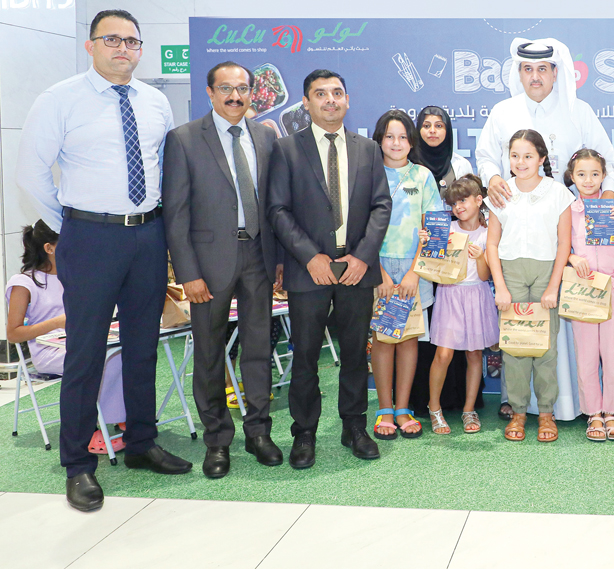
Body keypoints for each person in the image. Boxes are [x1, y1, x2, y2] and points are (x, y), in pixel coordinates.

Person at [16, 9, 192, 513]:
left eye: (133, 41)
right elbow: (31, 173)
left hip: (148, 235)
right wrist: (74, 224)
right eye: (112, 39)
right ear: (91, 46)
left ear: (141, 49)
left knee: (142, 345)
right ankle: (78, 464)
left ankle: (140, 443)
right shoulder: (61, 99)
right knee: (86, 352)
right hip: (89, 236)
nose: (124, 48)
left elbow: (166, 172)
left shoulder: (156, 102)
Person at [477, 37, 614, 422]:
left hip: (572, 239)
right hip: (521, 242)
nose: (535, 76)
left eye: (543, 68)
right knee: (527, 327)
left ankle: (583, 407)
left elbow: (607, 162)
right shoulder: (503, 111)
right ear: (518, 72)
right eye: (528, 69)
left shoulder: (580, 111)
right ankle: (524, 404)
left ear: (556, 72)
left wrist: (604, 207)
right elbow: (485, 157)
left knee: (572, 331)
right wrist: (492, 177)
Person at [162, 61, 283, 478]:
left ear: (253, 93)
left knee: (258, 349)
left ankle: (259, 433)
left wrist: (280, 260)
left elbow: (275, 206)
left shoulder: (267, 136)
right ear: (210, 93)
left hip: (259, 260)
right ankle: (218, 440)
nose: (235, 96)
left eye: (243, 88)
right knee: (211, 353)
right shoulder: (183, 140)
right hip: (208, 266)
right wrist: (187, 273)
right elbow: (175, 215)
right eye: (226, 88)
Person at [267, 69, 391, 467]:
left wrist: (362, 256)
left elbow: (380, 206)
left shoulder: (367, 149)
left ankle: (354, 425)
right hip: (310, 270)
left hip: (356, 268)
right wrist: (310, 256)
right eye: (321, 94)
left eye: (338, 92)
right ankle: (303, 433)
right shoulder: (286, 149)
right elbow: (278, 210)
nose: (330, 100)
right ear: (306, 102)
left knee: (355, 353)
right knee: (305, 354)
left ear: (348, 100)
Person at [4, 221, 126, 454]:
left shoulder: (74, 274)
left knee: (119, 354)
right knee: (97, 361)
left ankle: (120, 419)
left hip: (80, 340)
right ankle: (92, 429)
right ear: (49, 248)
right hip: (48, 350)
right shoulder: (24, 282)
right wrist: (58, 322)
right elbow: (13, 333)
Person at [485, 129, 573, 443]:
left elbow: (565, 244)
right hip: (510, 273)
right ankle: (519, 411)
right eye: (514, 155)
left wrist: (553, 287)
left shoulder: (558, 192)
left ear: (542, 158)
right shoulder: (500, 192)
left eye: (528, 156)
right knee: (515, 348)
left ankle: (546, 412)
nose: (520, 162)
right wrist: (501, 287)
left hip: (546, 271)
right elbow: (491, 244)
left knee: (546, 347)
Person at [370, 109, 443, 441]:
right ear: (379, 139)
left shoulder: (423, 177)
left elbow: (435, 229)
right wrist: (380, 274)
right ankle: (384, 408)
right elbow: (359, 231)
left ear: (411, 141)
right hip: (378, 270)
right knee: (383, 340)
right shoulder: (367, 174)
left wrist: (414, 273)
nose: (396, 143)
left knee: (410, 339)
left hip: (416, 271)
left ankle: (402, 408)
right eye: (389, 136)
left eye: (402, 137)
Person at [564, 149, 614, 441]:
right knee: (586, 354)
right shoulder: (568, 211)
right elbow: (560, 250)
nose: (588, 180)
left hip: (613, 288)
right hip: (582, 289)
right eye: (581, 174)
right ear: (572, 177)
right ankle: (593, 413)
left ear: (604, 176)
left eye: (595, 174)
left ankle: (612, 412)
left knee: (611, 351)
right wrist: (572, 259)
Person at [410, 105, 478, 418]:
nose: (433, 131)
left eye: (440, 126)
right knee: (426, 330)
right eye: (426, 126)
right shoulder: (409, 163)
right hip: (420, 258)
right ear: (418, 131)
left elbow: (471, 206)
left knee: (456, 333)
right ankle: (422, 399)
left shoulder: (460, 163)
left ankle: (458, 400)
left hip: (455, 262)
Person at [424, 176, 499, 434]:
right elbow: (432, 262)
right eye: (454, 203)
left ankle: (469, 409)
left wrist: (480, 258)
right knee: (443, 354)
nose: (458, 207)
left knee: (474, 353)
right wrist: (428, 242)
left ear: (479, 201)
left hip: (477, 295)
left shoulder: (489, 232)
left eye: (463, 201)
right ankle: (434, 408)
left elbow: (485, 276)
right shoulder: (447, 228)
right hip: (449, 294)